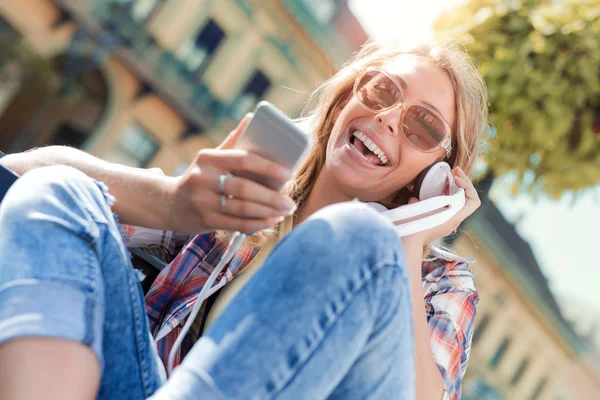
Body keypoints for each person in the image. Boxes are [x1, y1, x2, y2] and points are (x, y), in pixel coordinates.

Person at [0, 40, 487, 400]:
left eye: (423, 126)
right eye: (382, 91)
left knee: (360, 237)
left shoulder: (440, 284)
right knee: (60, 189)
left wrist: (406, 243)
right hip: (140, 383)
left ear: (438, 175)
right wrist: (174, 202)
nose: (388, 118)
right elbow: (22, 174)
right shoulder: (247, 199)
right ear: (347, 100)